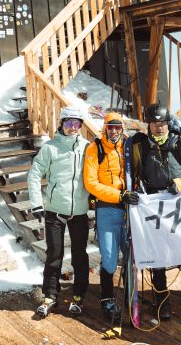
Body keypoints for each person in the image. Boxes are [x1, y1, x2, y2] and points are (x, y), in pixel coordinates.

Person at [126, 103, 181, 321]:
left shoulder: (180, 145)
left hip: (178, 201)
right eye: (154, 124)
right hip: (153, 204)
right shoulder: (140, 147)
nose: (159, 128)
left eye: (162, 123)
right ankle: (162, 301)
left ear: (168, 123)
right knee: (158, 255)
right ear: (148, 125)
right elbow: (132, 174)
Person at [27, 106, 91, 318]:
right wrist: (37, 203)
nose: (73, 128)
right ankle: (50, 296)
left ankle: (79, 296)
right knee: (54, 255)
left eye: (77, 124)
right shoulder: (50, 148)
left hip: (79, 211)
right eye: (69, 123)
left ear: (81, 126)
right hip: (55, 210)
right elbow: (35, 174)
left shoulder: (87, 147)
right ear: (61, 124)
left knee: (80, 256)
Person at [82, 111, 133, 321]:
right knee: (110, 259)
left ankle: (133, 295)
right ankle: (106, 298)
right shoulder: (96, 148)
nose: (114, 131)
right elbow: (90, 183)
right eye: (110, 127)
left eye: (117, 127)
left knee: (131, 256)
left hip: (130, 209)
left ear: (122, 128)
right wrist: (119, 195)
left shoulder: (129, 146)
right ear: (105, 128)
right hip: (107, 208)